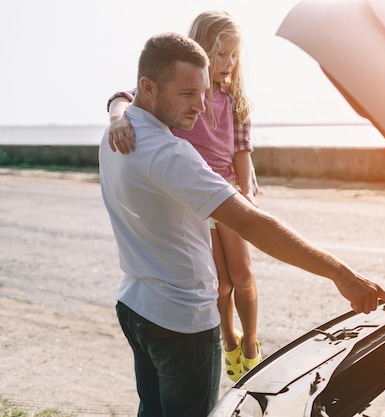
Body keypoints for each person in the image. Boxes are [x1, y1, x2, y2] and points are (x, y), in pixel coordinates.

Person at [99, 32, 385, 417]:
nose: (201, 105)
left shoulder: (117, 133)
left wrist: (115, 108)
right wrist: (340, 273)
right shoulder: (169, 154)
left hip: (136, 307)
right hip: (181, 322)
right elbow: (251, 222)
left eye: (203, 90)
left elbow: (121, 101)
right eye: (187, 94)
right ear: (147, 87)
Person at [107, 11, 261, 382]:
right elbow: (124, 95)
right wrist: (117, 118)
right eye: (220, 54)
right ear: (203, 52)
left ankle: (252, 341)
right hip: (191, 195)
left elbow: (244, 153)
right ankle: (228, 338)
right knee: (219, 282)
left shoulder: (235, 99)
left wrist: (249, 197)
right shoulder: (184, 89)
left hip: (227, 190)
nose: (228, 63)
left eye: (233, 56)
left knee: (242, 273)